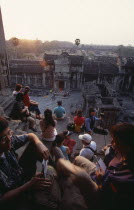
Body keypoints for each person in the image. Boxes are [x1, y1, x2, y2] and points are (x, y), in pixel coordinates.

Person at [57, 122, 134, 210]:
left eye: (115, 141)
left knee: (75, 178)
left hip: (101, 187)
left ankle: (67, 183)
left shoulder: (123, 179)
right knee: (78, 159)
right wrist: (110, 150)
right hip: (104, 173)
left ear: (126, 147)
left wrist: (101, 179)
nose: (111, 143)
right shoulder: (122, 153)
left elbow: (105, 196)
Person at [0, 117, 50, 209]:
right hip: (13, 192)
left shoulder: (8, 141)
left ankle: (53, 166)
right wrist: (29, 185)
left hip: (19, 174)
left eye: (9, 133)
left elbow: (31, 135)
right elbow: (2, 198)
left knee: (34, 145)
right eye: (3, 138)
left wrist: (39, 144)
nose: (9, 139)